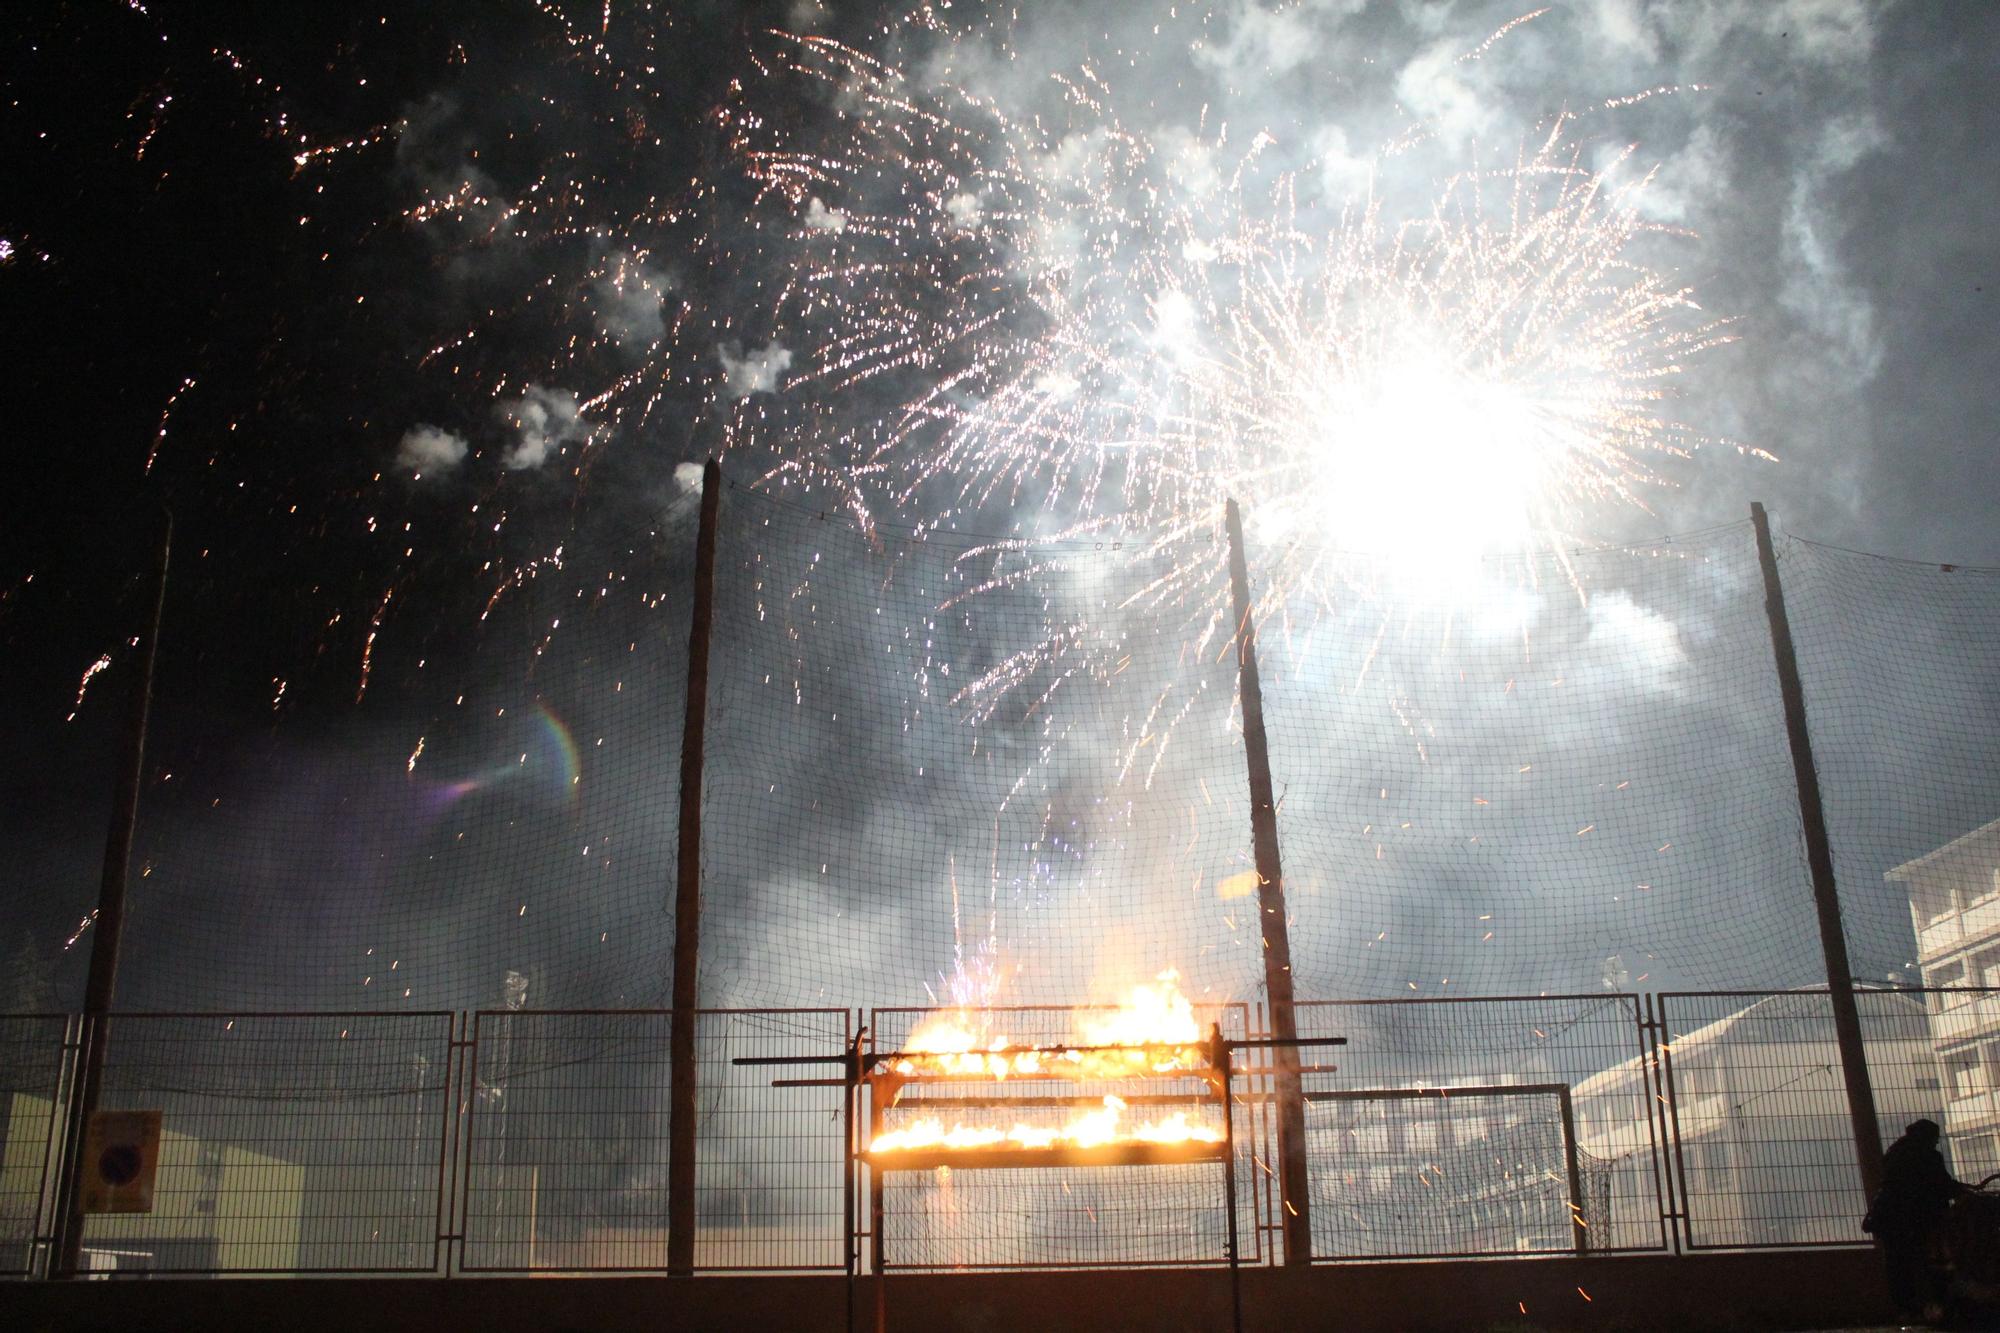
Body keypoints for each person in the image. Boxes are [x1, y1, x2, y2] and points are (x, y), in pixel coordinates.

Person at [1864, 1118, 1966, 1319]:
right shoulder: (1928, 1157)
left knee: (1898, 1266)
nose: (1936, 1142)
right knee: (1929, 1264)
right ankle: (1931, 1307)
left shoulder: (1895, 1153)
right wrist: (1960, 1190)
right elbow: (1940, 1184)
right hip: (1919, 1221)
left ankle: (1907, 1308)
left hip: (1892, 1221)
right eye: (1935, 1139)